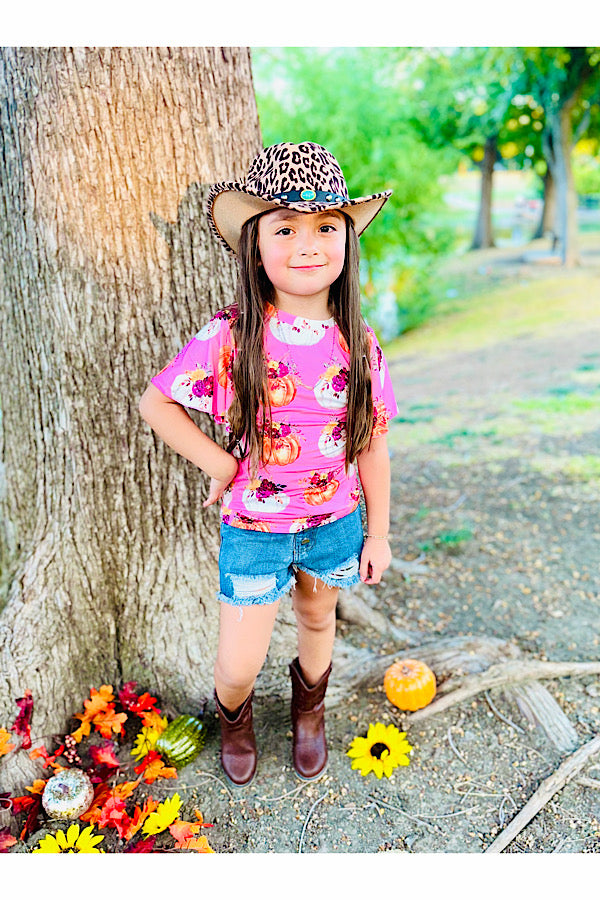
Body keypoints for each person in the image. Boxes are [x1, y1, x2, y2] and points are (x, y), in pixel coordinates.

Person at [139, 141, 398, 787]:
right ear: (256, 245)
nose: (308, 244)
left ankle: (310, 716)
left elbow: (372, 444)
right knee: (238, 660)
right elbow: (157, 403)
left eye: (325, 228)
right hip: (253, 528)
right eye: (286, 228)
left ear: (346, 242)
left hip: (335, 520)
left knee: (318, 617)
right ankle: (236, 718)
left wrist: (381, 532)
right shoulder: (232, 334)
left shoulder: (358, 343)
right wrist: (221, 464)